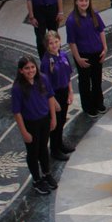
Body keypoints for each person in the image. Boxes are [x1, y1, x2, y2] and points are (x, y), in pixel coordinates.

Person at [11, 56, 58, 195]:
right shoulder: (17, 88)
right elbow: (17, 112)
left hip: (44, 119)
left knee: (43, 148)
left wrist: (53, 118)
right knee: (33, 152)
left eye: (32, 67)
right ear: (21, 71)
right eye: (27, 68)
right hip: (30, 123)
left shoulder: (42, 79)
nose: (30, 70)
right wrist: (24, 132)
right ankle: (37, 180)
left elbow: (50, 97)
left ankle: (46, 173)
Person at [66, 0, 107, 117]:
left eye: (86, 0)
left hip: (97, 53)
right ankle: (88, 107)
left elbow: (101, 31)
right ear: (76, 2)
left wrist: (105, 48)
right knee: (85, 82)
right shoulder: (71, 20)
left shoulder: (94, 14)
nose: (84, 3)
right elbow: (72, 42)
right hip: (83, 55)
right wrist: (78, 58)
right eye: (81, 0)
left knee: (97, 80)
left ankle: (98, 102)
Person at [40, 31, 75, 161]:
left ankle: (60, 143)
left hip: (64, 90)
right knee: (55, 123)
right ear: (46, 45)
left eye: (56, 42)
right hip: (54, 95)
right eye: (51, 43)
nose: (54, 45)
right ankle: (55, 149)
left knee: (62, 120)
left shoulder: (63, 55)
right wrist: (53, 101)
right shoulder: (46, 62)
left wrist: (70, 91)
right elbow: (45, 85)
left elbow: (68, 75)